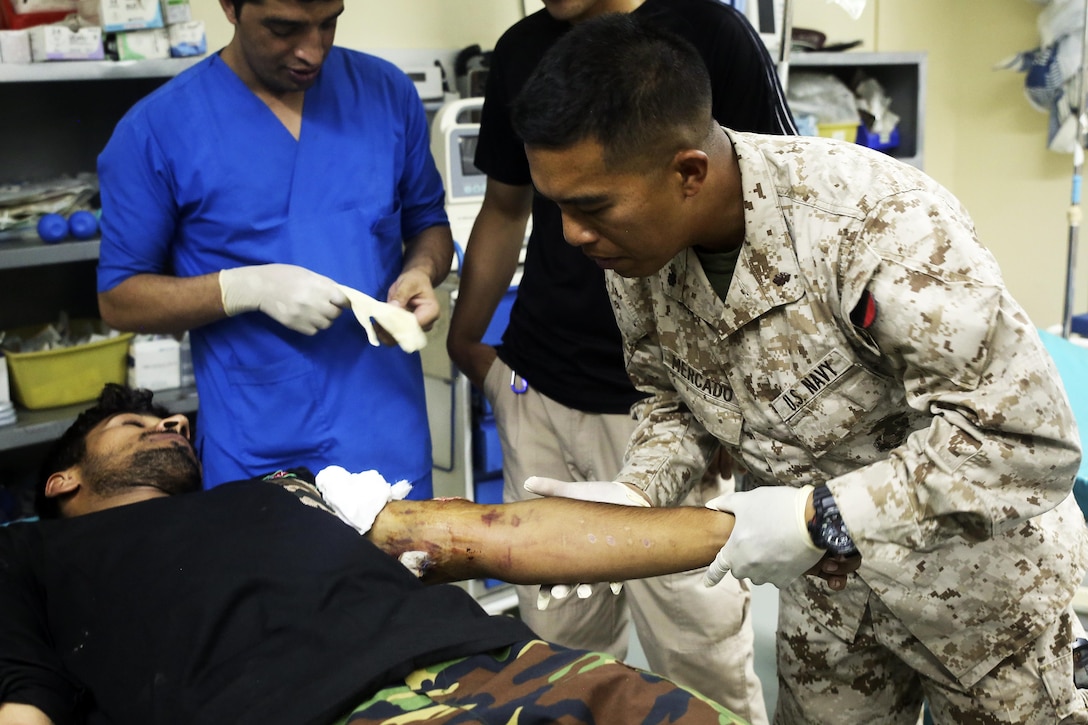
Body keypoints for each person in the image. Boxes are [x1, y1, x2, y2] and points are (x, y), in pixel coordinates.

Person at [509, 13, 1088, 724]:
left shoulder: (874, 225)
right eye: (558, 206)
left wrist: (819, 515)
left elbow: (1025, 439)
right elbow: (672, 399)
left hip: (979, 599)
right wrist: (640, 493)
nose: (572, 234)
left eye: (589, 207)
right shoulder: (635, 251)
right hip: (829, 602)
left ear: (688, 172)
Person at [0, 384, 750, 725]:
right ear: (63, 478)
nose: (169, 421)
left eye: (168, 416)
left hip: (501, 661)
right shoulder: (34, 550)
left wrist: (766, 528)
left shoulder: (284, 488)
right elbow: (25, 700)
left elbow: (500, 533)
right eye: (134, 422)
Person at [445, 0, 792, 716]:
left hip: (671, 405)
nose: (576, 233)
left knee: (699, 650)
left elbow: (771, 215)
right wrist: (468, 340)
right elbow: (506, 210)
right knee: (557, 648)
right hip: (534, 382)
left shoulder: (708, 35)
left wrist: (739, 405)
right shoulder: (523, 49)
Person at [95, 0, 453, 496]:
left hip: (386, 431)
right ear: (230, 7)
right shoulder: (157, 130)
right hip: (260, 446)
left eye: (328, 23)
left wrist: (420, 272)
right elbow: (119, 297)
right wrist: (244, 288)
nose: (313, 50)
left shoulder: (385, 93)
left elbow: (428, 223)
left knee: (399, 571)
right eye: (284, 29)